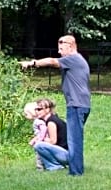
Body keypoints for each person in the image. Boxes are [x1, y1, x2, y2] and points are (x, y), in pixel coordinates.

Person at [21, 35, 91, 175]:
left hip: (77, 105)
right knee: (75, 139)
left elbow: (52, 61)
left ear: (70, 45)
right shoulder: (77, 60)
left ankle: (76, 173)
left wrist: (32, 63)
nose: (59, 52)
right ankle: (73, 169)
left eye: (61, 48)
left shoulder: (74, 58)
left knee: (74, 141)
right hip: (80, 104)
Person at [23, 102, 48, 169]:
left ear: (32, 113)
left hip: (42, 141)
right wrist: (33, 140)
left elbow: (43, 130)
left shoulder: (37, 121)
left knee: (39, 155)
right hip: (41, 140)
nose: (25, 116)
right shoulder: (38, 121)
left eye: (26, 114)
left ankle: (40, 167)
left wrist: (39, 140)